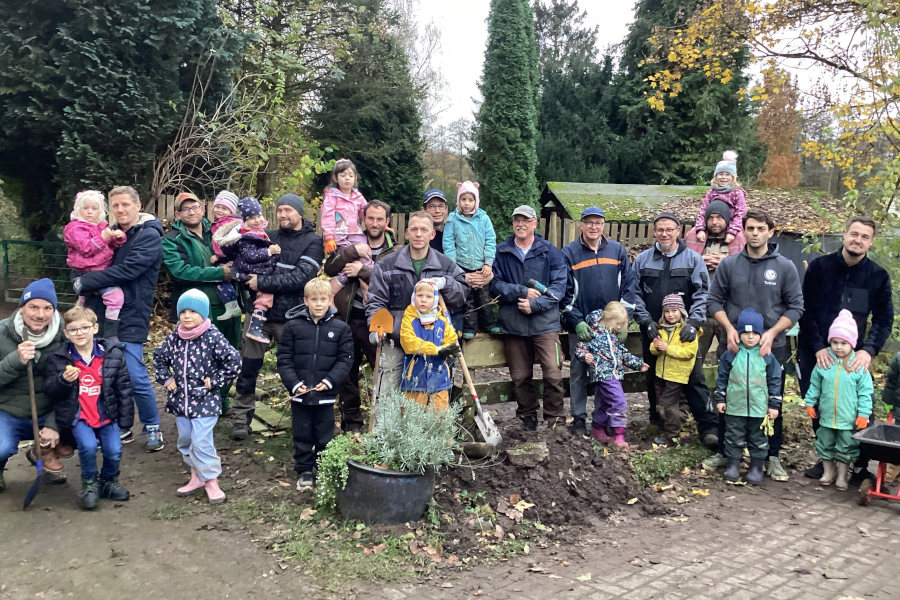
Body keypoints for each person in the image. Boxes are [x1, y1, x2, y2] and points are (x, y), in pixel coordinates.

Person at [707, 208, 804, 481]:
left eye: (761, 229)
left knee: (771, 400)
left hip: (770, 347)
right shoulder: (729, 264)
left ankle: (770, 456)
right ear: (744, 231)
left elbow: (797, 306)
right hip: (734, 346)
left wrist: (772, 333)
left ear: (770, 232)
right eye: (750, 228)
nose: (755, 233)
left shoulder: (784, 267)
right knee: (730, 397)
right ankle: (728, 454)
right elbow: (714, 301)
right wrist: (728, 328)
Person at [798, 216, 893, 483]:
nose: (858, 240)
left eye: (865, 237)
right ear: (844, 235)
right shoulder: (819, 268)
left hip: (855, 356)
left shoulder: (878, 276)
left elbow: (884, 319)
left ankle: (860, 465)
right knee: (819, 403)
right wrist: (818, 347)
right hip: (817, 352)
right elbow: (805, 311)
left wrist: (868, 350)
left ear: (871, 242)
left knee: (860, 408)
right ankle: (826, 457)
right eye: (854, 234)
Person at [74, 186, 164, 452]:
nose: (121, 210)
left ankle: (153, 426)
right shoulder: (108, 234)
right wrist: (80, 278)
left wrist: (86, 281)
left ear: (138, 206)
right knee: (105, 375)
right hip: (101, 314)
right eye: (116, 206)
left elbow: (129, 270)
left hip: (132, 314)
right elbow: (82, 259)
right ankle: (119, 426)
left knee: (135, 375)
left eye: (125, 204)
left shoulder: (149, 236)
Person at [231, 193, 324, 441]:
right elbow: (243, 261)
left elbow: (301, 279)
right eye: (280, 210)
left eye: (288, 210)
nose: (283, 215)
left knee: (295, 371)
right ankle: (241, 418)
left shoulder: (313, 242)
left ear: (299, 213)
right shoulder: (267, 236)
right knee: (248, 367)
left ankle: (302, 419)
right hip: (259, 315)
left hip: (291, 318)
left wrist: (261, 281)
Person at [633, 212, 718, 448]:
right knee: (654, 376)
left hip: (684, 333)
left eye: (669, 229)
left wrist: (694, 323)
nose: (664, 234)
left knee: (695, 377)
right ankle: (658, 420)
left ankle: (708, 426)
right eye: (660, 229)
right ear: (654, 232)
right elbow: (634, 294)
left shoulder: (693, 259)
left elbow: (703, 294)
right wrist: (645, 321)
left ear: (678, 231)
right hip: (654, 330)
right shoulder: (642, 260)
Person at [366, 211, 469, 398]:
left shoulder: (445, 265)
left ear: (432, 234)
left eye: (424, 230)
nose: (418, 234)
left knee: (430, 402)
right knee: (387, 398)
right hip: (395, 341)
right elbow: (375, 300)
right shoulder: (386, 265)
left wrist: (446, 283)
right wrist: (375, 326)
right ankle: (386, 428)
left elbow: (462, 295)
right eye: (414, 229)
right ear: (406, 233)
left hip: (434, 345)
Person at [153, 290, 241, 504]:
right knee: (186, 441)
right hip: (180, 401)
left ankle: (211, 481)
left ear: (203, 313)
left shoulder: (212, 336)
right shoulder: (174, 338)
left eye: (193, 311)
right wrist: (166, 379)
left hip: (205, 401)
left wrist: (216, 380)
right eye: (183, 311)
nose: (187, 316)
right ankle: (196, 477)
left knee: (201, 441)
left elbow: (234, 361)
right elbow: (159, 358)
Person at [323, 200, 401, 432]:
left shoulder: (396, 251)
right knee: (346, 374)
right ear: (363, 220)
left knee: (382, 371)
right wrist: (350, 253)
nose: (374, 223)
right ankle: (352, 424)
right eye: (370, 218)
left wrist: (363, 271)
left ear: (387, 222)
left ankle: (382, 424)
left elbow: (395, 281)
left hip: (376, 321)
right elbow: (329, 268)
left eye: (379, 219)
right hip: (347, 318)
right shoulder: (351, 242)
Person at [45, 306, 132, 509]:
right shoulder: (60, 359)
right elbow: (50, 391)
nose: (80, 333)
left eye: (85, 327)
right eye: (73, 330)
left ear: (95, 328)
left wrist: (126, 420)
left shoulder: (112, 354)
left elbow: (124, 388)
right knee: (88, 447)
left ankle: (109, 482)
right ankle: (90, 484)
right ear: (66, 333)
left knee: (114, 450)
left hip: (106, 414)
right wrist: (63, 380)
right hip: (79, 415)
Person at [490, 205, 568, 431]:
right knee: (520, 376)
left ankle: (555, 418)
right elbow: (494, 285)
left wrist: (536, 305)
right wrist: (520, 292)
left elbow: (559, 288)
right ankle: (527, 416)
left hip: (545, 324)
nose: (520, 224)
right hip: (513, 325)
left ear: (535, 223)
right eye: (516, 220)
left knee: (553, 372)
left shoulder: (550, 252)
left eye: (525, 220)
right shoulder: (501, 252)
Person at [561, 206, 636, 435]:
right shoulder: (570, 253)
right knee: (578, 371)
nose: (594, 227)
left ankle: (604, 421)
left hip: (610, 327)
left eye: (598, 223)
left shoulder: (616, 251)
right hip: (583, 327)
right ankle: (579, 418)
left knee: (609, 372)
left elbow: (629, 286)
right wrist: (575, 321)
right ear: (581, 225)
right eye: (589, 222)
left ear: (604, 225)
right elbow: (563, 292)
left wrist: (625, 319)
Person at [276, 279, 353, 490]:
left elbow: (345, 359)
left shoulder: (341, 328)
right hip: (300, 394)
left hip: (325, 394)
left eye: (323, 300)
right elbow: (284, 359)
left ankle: (323, 467)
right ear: (305, 301)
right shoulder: (293, 327)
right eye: (314, 300)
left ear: (331, 300)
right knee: (301, 433)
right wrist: (293, 384)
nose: (318, 304)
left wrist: (329, 382)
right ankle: (304, 471)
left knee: (324, 434)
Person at [0, 279, 67, 491]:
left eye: (48, 308)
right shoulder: (2, 333)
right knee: (1, 448)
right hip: (8, 411)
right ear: (21, 308)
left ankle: (44, 453)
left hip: (47, 412)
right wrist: (15, 361)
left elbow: (73, 388)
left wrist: (54, 424)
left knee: (86, 428)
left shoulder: (66, 335)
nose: (40, 315)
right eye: (33, 307)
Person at [802, 310, 874, 491]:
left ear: (852, 343)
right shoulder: (825, 361)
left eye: (844, 343)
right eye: (835, 342)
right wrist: (810, 402)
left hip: (847, 419)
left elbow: (866, 393)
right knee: (824, 443)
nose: (839, 347)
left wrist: (863, 414)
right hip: (826, 416)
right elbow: (815, 384)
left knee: (846, 447)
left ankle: (842, 476)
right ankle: (828, 472)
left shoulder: (858, 365)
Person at [162, 192, 241, 348]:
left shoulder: (218, 231)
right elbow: (180, 272)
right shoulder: (172, 239)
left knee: (231, 356)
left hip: (230, 306)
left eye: (194, 207)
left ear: (202, 209)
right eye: (185, 209)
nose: (191, 212)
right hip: (198, 312)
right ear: (178, 214)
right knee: (201, 360)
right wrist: (220, 273)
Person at [714, 308, 782, 486]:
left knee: (758, 438)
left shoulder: (766, 356)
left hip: (759, 408)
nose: (750, 337)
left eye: (754, 333)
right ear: (739, 333)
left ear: (761, 335)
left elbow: (775, 380)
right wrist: (720, 399)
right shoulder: (731, 355)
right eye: (746, 332)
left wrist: (774, 405)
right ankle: (733, 465)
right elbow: (722, 378)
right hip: (735, 407)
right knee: (733, 436)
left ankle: (756, 467)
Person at [574, 301, 648, 446]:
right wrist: (585, 356)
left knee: (607, 404)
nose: (619, 327)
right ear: (608, 318)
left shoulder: (612, 337)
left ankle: (596, 428)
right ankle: (619, 436)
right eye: (618, 323)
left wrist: (638, 364)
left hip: (615, 375)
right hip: (603, 375)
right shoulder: (593, 333)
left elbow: (622, 354)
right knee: (619, 403)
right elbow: (580, 348)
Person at [684, 199, 746, 361]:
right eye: (710, 218)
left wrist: (725, 264)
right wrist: (699, 263)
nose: (714, 222)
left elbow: (748, 271)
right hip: (700, 312)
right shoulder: (695, 239)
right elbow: (682, 269)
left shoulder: (739, 241)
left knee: (731, 360)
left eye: (719, 218)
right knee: (693, 361)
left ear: (727, 219)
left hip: (728, 314)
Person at [215, 197, 281, 344]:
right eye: (252, 218)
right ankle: (255, 327)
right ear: (245, 220)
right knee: (265, 297)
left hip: (256, 269)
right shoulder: (246, 237)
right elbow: (250, 256)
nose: (257, 220)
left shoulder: (257, 232)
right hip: (252, 270)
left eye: (258, 216)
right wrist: (269, 252)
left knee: (264, 296)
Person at [63, 190, 126, 341]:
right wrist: (103, 237)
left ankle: (81, 305)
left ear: (100, 210)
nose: (90, 212)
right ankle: (111, 334)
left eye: (94, 208)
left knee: (85, 300)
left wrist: (118, 237)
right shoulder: (74, 228)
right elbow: (85, 248)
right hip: (88, 271)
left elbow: (111, 245)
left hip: (100, 271)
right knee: (116, 296)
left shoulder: (102, 226)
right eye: (86, 208)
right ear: (78, 209)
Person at [442, 181, 499, 339]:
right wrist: (454, 265)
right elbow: (448, 243)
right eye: (463, 199)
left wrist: (488, 262)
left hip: (481, 266)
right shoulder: (453, 220)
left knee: (483, 296)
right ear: (458, 201)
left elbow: (490, 241)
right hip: (462, 266)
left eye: (470, 200)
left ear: (476, 201)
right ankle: (470, 327)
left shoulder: (483, 218)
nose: (467, 203)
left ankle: (489, 324)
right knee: (467, 299)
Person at [399, 279, 461, 410]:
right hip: (415, 378)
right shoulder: (408, 319)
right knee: (414, 416)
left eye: (428, 297)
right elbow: (408, 342)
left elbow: (451, 340)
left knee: (440, 415)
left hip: (439, 377)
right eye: (420, 296)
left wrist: (447, 349)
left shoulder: (442, 322)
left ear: (435, 299)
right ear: (413, 297)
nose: (423, 300)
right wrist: (436, 349)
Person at [649, 294, 700, 446]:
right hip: (662, 373)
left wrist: (668, 348)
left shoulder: (687, 331)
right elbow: (654, 349)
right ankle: (681, 422)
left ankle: (671, 436)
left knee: (667, 405)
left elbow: (689, 353)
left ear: (682, 312)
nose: (670, 315)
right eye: (667, 311)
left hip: (677, 375)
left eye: (674, 310)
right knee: (670, 403)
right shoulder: (663, 330)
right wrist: (656, 346)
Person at [321, 158, 372, 296]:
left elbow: (365, 212)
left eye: (350, 175)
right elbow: (327, 216)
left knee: (366, 253)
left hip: (355, 232)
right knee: (348, 257)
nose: (347, 179)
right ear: (336, 178)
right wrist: (329, 237)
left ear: (355, 178)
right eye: (343, 175)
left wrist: (375, 223)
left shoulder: (357, 196)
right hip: (339, 234)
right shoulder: (332, 196)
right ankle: (341, 280)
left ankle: (366, 282)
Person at [693, 151, 746, 245]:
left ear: (733, 177)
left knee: (739, 238)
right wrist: (700, 228)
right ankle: (694, 258)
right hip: (712, 223)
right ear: (715, 176)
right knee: (691, 235)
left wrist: (732, 231)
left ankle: (736, 259)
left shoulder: (737, 193)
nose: (724, 177)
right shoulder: (711, 192)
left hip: (732, 224)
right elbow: (703, 210)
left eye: (727, 174)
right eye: (721, 174)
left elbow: (740, 213)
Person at [208, 190, 244, 322]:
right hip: (227, 256)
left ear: (231, 211)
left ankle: (232, 305)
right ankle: (233, 305)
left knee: (221, 279)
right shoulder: (219, 222)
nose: (219, 210)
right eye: (217, 207)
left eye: (224, 208)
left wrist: (218, 256)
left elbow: (227, 244)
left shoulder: (229, 224)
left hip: (229, 257)